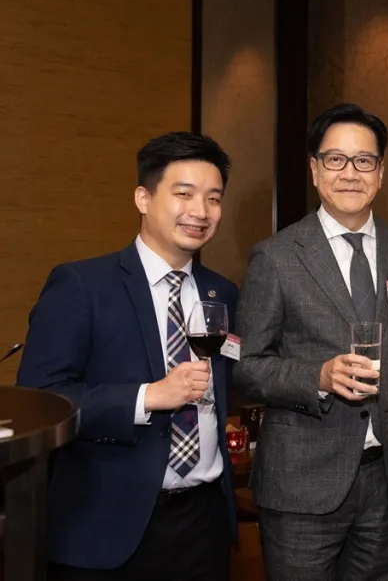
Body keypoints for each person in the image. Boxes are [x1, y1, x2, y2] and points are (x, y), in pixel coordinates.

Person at [17, 132, 238, 580]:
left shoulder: (223, 292)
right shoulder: (82, 286)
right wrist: (146, 397)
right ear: (143, 198)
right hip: (108, 527)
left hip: (205, 523)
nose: (201, 211)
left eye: (213, 198)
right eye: (184, 194)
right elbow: (40, 401)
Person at [233, 103, 388, 581]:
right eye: (335, 159)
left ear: (381, 173)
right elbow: (246, 365)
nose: (350, 173)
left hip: (384, 480)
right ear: (315, 170)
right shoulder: (276, 257)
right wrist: (317, 376)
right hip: (301, 482)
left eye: (364, 160)